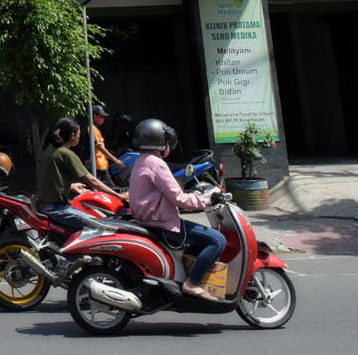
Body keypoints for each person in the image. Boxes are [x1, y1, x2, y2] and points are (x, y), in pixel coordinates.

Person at [128, 118, 225, 303]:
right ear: (158, 141)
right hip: (162, 223)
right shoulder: (156, 164)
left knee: (200, 243)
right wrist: (207, 200)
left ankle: (184, 277)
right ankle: (193, 283)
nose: (167, 145)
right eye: (165, 140)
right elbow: (179, 199)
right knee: (218, 240)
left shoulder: (142, 161)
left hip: (150, 220)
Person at [35, 117, 126, 230]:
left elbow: (50, 178)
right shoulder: (66, 154)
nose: (80, 137)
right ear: (72, 136)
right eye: (79, 134)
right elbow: (92, 181)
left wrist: (71, 186)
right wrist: (118, 196)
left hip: (45, 205)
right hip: (57, 208)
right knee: (98, 227)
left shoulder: (50, 149)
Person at [89, 105, 126, 185]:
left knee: (109, 189)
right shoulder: (92, 129)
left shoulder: (96, 129)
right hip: (97, 167)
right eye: (101, 117)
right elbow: (100, 147)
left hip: (102, 166)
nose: (103, 119)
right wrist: (116, 161)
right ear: (95, 117)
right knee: (109, 189)